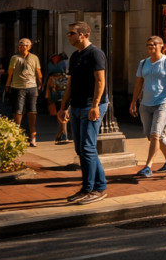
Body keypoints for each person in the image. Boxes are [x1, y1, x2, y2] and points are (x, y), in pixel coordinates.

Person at [58, 21, 108, 205]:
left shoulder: (95, 53)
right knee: (82, 149)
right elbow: (70, 84)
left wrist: (95, 105)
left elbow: (100, 81)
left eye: (71, 33)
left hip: (91, 106)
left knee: (87, 148)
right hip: (77, 106)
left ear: (84, 34)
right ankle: (99, 185)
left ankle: (91, 189)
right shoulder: (74, 56)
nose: (68, 36)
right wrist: (63, 108)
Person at [129, 35, 166, 177]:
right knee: (151, 135)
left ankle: (148, 167)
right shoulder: (143, 63)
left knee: (155, 134)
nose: (150, 47)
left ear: (161, 45)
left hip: (163, 102)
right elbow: (139, 83)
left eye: (153, 44)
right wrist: (133, 101)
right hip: (145, 103)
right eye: (148, 45)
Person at [5, 38, 42, 146]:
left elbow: (38, 71)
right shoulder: (14, 58)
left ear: (29, 47)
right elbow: (10, 73)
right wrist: (7, 85)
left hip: (31, 87)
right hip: (17, 87)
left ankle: (33, 137)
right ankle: (17, 136)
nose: (22, 47)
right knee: (18, 111)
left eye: (25, 45)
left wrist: (40, 82)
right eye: (20, 45)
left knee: (32, 111)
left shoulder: (34, 58)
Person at [44, 53, 70, 143]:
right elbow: (67, 71)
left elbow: (48, 73)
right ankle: (64, 134)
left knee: (59, 109)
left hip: (53, 86)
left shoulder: (50, 63)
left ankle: (61, 133)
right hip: (63, 86)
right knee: (63, 109)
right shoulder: (65, 62)